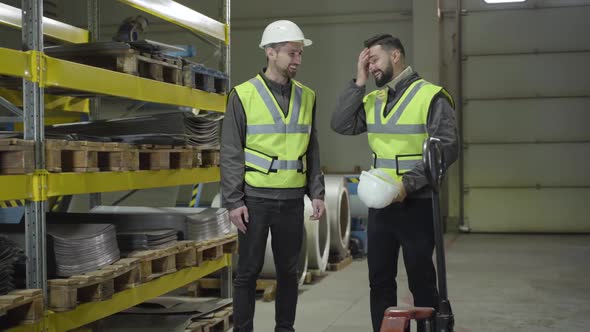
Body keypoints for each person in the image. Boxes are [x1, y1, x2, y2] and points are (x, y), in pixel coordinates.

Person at [331, 34, 459, 332]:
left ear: (396, 55)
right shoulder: (373, 98)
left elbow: (446, 148)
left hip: (417, 203)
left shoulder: (432, 96)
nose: (371, 66)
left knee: (421, 280)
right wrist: (358, 81)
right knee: (379, 281)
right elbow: (340, 123)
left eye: (374, 59)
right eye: (367, 62)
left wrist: (407, 186)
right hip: (381, 206)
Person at [220, 20, 325, 332]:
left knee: (289, 272)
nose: (298, 59)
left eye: (300, 54)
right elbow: (230, 151)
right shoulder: (243, 94)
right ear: (270, 52)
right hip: (254, 200)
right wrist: (233, 200)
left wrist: (316, 192)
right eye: (292, 53)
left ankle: (285, 328)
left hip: (292, 201)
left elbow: (312, 147)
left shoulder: (308, 96)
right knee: (247, 272)